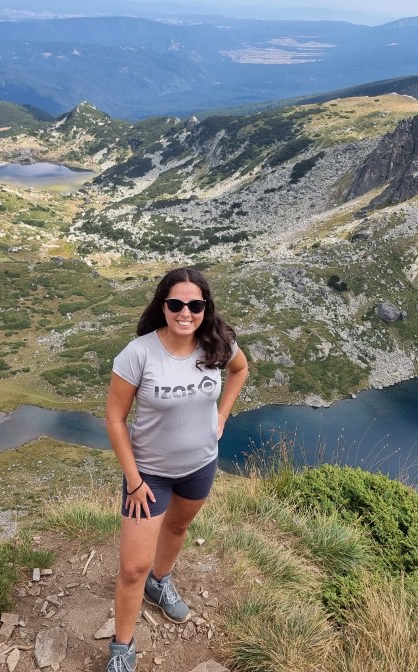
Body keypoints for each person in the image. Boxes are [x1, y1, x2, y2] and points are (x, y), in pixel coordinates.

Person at [103, 267, 249, 672]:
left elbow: (240, 370)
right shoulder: (139, 353)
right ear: (162, 305)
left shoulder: (218, 342)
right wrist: (134, 481)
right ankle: (122, 648)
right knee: (132, 567)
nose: (185, 313)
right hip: (148, 475)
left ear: (206, 307)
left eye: (195, 305)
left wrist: (221, 417)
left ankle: (161, 582)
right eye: (176, 304)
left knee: (178, 529)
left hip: (200, 465)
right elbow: (115, 419)